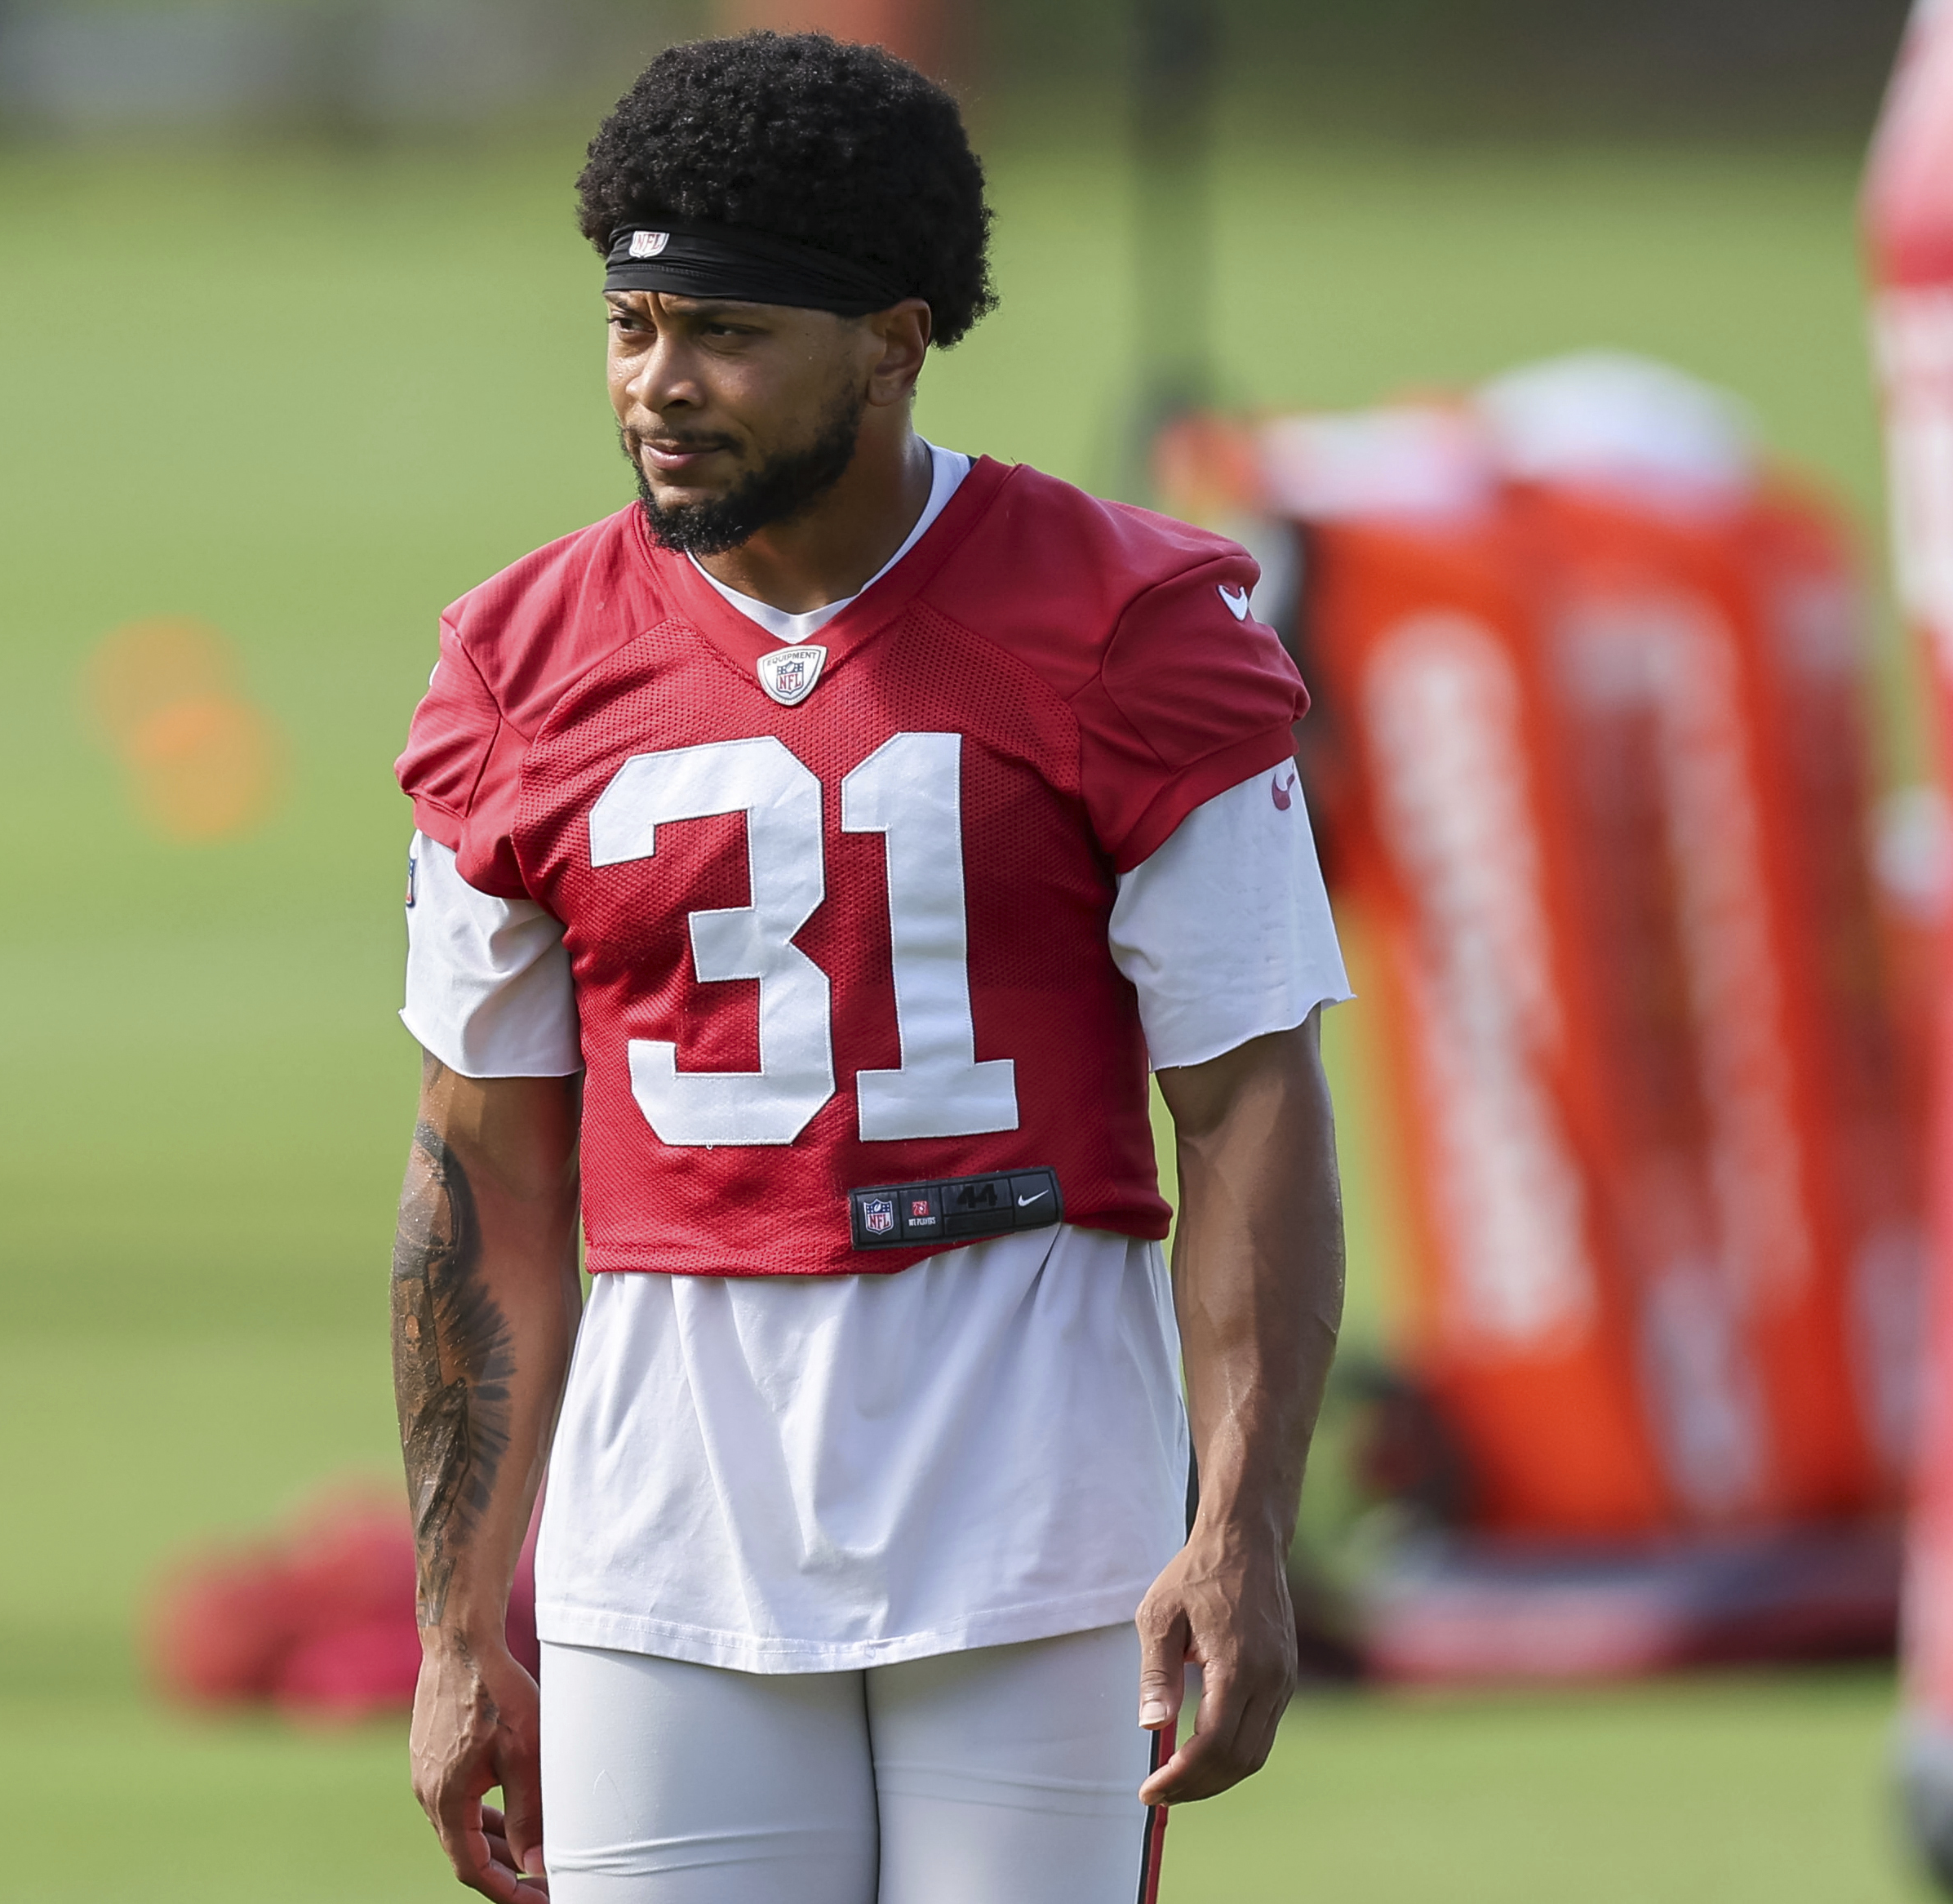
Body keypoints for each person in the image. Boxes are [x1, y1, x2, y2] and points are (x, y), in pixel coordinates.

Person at [389, 31, 1348, 1904]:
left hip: (1040, 1522)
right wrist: (454, 1615)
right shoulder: (518, 660)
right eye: (633, 325)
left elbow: (1246, 1100)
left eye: (726, 333)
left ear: (894, 343)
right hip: (664, 1542)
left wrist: (1239, 1526)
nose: (661, 387)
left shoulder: (1130, 624)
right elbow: (479, 1172)